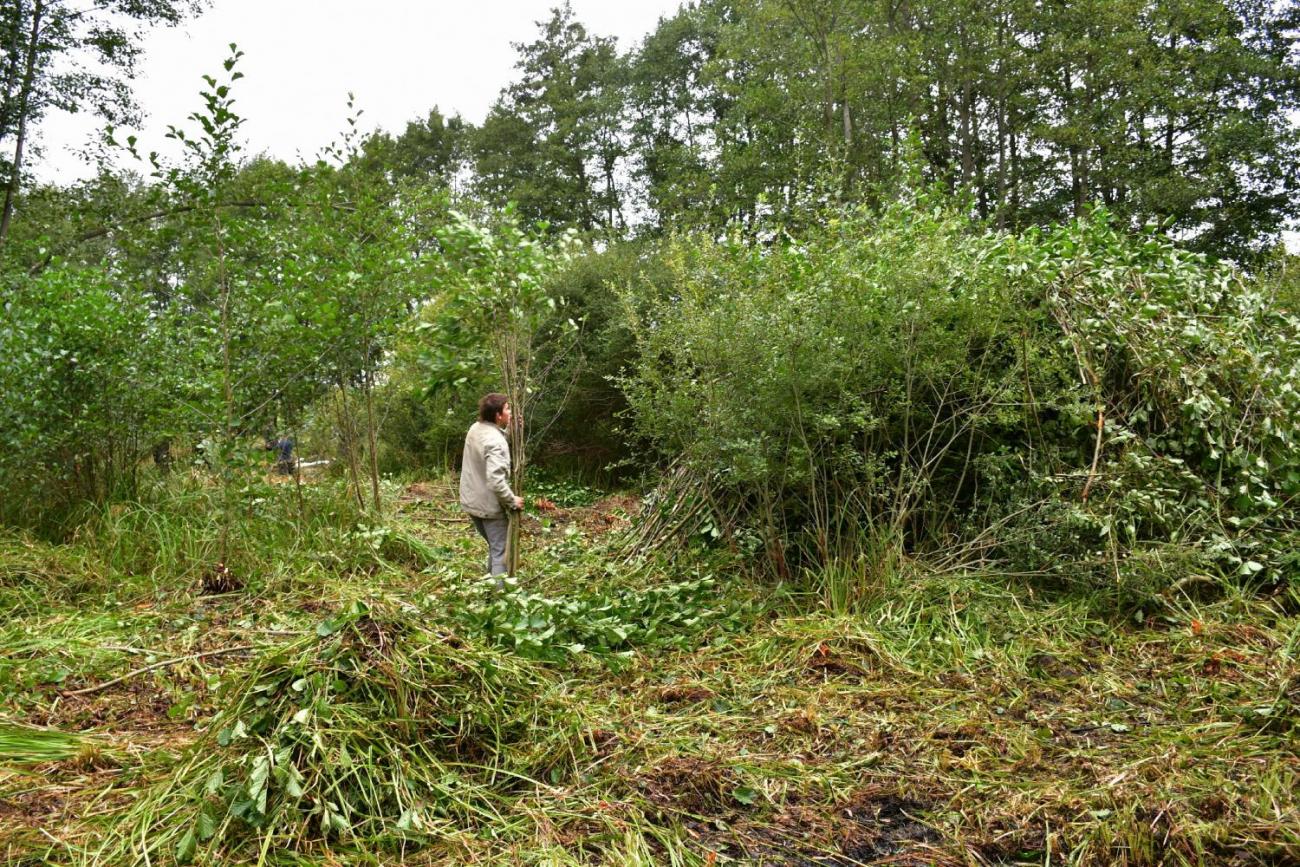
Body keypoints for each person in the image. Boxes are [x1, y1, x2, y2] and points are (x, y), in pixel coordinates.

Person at [459, 393, 523, 580]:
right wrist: (512, 500)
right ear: (498, 415)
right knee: (501, 552)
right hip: (489, 507)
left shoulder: (475, 428)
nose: (510, 412)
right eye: (507, 409)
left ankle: (489, 590)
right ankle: (500, 601)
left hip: (472, 503)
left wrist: (512, 429)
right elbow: (496, 480)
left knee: (495, 548)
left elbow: (493, 441)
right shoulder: (495, 441)